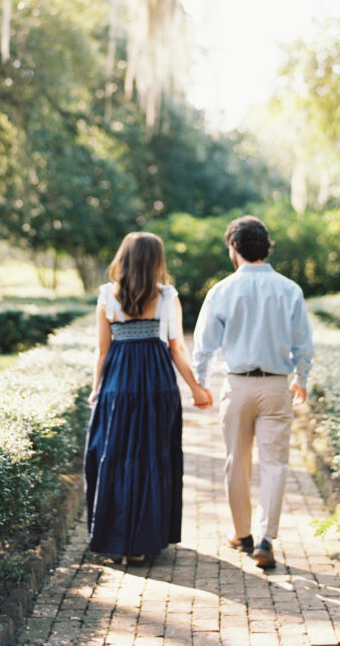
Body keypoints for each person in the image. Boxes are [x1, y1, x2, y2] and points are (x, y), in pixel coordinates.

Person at [192, 215, 314, 570]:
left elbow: (204, 345)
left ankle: (242, 534)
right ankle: (265, 539)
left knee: (237, 462)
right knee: (275, 464)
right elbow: (303, 343)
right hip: (276, 384)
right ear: (266, 247)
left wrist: (201, 384)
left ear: (234, 247)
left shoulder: (222, 290)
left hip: (238, 384)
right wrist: (301, 379)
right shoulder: (289, 289)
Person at [85, 231, 212, 563]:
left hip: (118, 384)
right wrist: (196, 389)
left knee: (115, 456)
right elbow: (176, 347)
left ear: (123, 259)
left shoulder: (105, 297)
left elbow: (102, 351)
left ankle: (118, 541)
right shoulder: (167, 296)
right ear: (157, 261)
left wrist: (97, 390)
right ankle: (143, 541)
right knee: (153, 456)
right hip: (156, 383)